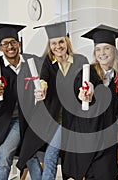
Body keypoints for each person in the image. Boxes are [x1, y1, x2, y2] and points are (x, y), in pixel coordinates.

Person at [16, 20, 89, 180]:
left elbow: (85, 83)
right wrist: (41, 90)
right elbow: (43, 80)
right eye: (53, 43)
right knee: (27, 149)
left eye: (61, 41)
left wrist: (85, 92)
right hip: (49, 115)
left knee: (50, 154)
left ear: (67, 41)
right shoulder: (47, 63)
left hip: (70, 119)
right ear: (49, 45)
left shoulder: (80, 61)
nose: (58, 46)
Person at [61, 24, 118, 180]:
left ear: (114, 51)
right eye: (98, 49)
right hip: (85, 136)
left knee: (108, 174)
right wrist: (85, 95)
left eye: (106, 48)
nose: (102, 53)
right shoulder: (86, 73)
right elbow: (83, 88)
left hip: (107, 139)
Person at [0, 23, 42, 180]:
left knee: (4, 154)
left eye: (13, 42)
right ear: (0, 48)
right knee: (30, 155)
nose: (10, 47)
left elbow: (50, 71)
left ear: (19, 44)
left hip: (23, 120)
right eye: (5, 44)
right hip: (0, 121)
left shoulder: (31, 63)